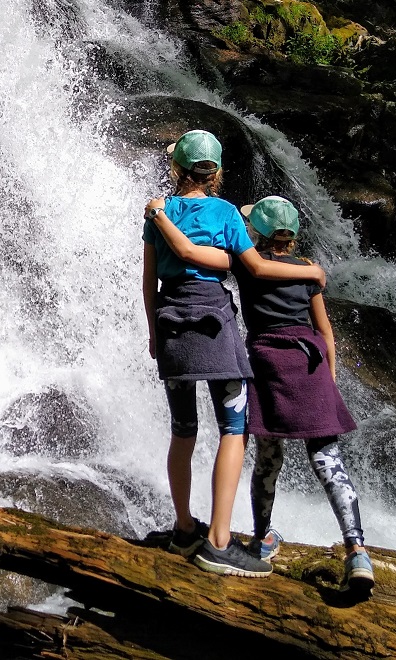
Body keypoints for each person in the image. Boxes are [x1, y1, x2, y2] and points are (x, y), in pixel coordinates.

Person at [153, 192, 374, 596]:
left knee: (267, 458)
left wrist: (161, 217)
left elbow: (206, 258)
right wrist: (331, 376)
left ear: (259, 231)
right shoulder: (307, 271)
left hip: (268, 367)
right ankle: (357, 549)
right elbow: (326, 332)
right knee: (328, 459)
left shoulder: (247, 265)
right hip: (311, 365)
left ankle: (261, 538)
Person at [142, 130, 325, 578]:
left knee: (183, 430)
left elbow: (148, 280)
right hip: (212, 323)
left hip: (169, 320)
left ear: (176, 169)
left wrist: (152, 332)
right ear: (217, 173)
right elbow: (256, 267)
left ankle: (184, 527)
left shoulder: (158, 212)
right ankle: (219, 541)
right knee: (233, 426)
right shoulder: (225, 213)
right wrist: (312, 271)